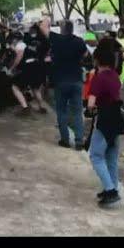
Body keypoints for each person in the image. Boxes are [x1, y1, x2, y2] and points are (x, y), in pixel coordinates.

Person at [40, 18, 87, 150]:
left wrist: (47, 18)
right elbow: (84, 55)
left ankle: (65, 140)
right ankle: (79, 141)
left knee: (61, 111)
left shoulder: (56, 39)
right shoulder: (79, 41)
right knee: (77, 112)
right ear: (72, 29)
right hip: (76, 80)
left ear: (61, 29)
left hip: (60, 81)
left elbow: (43, 27)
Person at [86, 45, 124, 207]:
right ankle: (113, 187)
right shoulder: (115, 75)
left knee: (96, 155)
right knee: (111, 157)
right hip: (117, 118)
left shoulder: (98, 77)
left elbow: (91, 103)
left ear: (97, 60)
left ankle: (110, 190)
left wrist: (90, 109)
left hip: (105, 119)